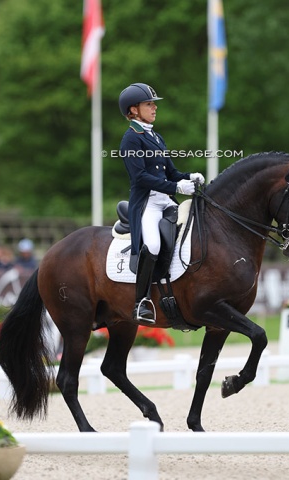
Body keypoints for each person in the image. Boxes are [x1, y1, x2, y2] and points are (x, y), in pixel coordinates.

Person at [119, 82, 205, 324]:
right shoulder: (131, 140)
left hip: (166, 200)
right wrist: (177, 187)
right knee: (153, 246)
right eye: (149, 104)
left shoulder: (156, 136)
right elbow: (141, 178)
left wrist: (189, 177)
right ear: (134, 110)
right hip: (147, 204)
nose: (154, 107)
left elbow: (170, 172)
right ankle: (142, 302)